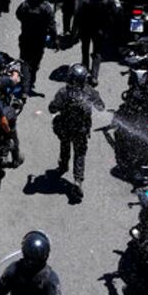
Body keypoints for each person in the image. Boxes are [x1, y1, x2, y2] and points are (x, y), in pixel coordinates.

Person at [48, 64, 104, 201]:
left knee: (65, 145)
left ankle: (62, 166)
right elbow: (101, 107)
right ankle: (78, 180)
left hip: (65, 128)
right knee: (80, 154)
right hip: (81, 130)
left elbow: (52, 109)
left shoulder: (63, 92)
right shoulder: (90, 92)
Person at [15, 0, 57, 95]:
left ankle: (25, 85)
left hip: (26, 38)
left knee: (24, 61)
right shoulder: (47, 9)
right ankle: (28, 83)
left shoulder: (25, 6)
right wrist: (55, 39)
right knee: (35, 62)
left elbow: (18, 15)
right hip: (39, 41)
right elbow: (52, 26)